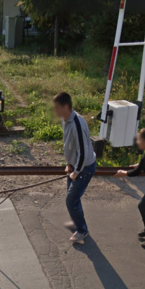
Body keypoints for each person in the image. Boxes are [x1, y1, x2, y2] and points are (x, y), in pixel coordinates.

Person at [53, 92, 96, 244]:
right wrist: (69, 163)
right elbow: (70, 145)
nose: (55, 111)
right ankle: (77, 222)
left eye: (57, 107)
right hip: (75, 165)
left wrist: (76, 171)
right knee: (72, 198)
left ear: (66, 107)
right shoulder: (65, 120)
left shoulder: (77, 123)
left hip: (85, 167)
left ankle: (82, 230)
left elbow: (83, 152)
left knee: (71, 199)